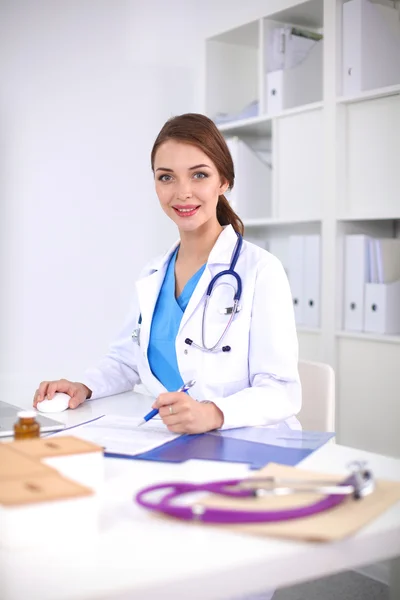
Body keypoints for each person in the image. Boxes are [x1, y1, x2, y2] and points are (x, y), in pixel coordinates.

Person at [33, 113, 301, 433]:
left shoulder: (261, 271)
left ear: (224, 181)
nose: (182, 192)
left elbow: (281, 390)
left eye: (199, 175)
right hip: (175, 439)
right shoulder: (154, 273)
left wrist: (214, 413)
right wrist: (83, 387)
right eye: (166, 177)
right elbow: (127, 361)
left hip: (249, 443)